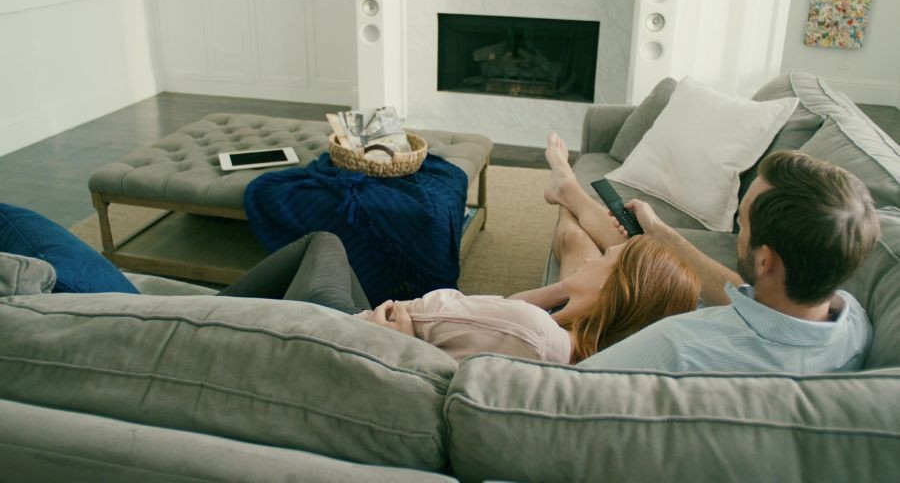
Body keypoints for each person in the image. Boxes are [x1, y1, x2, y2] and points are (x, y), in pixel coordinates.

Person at [541, 132, 881, 373]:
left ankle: (566, 196)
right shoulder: (852, 324)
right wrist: (661, 233)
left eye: (742, 223)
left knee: (575, 240)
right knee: (637, 249)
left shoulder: (676, 345)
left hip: (605, 341)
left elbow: (566, 388)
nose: (738, 232)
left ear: (764, 261)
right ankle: (568, 190)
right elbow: (760, 304)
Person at [214, 228, 701, 365]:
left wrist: (399, 344)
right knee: (331, 255)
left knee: (325, 243)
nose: (596, 257)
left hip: (345, 331)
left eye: (607, 259)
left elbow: (501, 319)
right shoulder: (555, 340)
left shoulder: (530, 332)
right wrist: (562, 290)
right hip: (379, 327)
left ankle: (201, 313)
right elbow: (503, 312)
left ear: (621, 289)